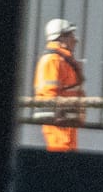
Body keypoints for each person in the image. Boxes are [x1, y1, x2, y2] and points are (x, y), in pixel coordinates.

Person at [33, 18, 85, 151]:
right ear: (61, 38)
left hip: (66, 121)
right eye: (71, 35)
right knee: (61, 158)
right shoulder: (52, 60)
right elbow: (49, 93)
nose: (76, 39)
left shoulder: (61, 60)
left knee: (67, 157)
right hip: (59, 123)